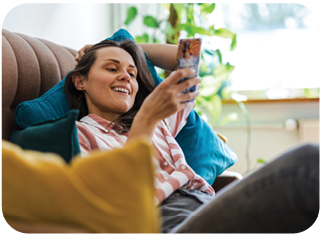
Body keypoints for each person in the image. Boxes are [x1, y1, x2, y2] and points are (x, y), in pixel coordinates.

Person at [65, 39, 320, 233]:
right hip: (166, 220)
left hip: (207, 203)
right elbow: (112, 203)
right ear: (80, 81)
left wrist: (126, 46)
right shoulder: (79, 134)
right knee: (307, 164)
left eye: (132, 73)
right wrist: (146, 121)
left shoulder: (160, 120)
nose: (125, 77)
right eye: (111, 68)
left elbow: (188, 58)